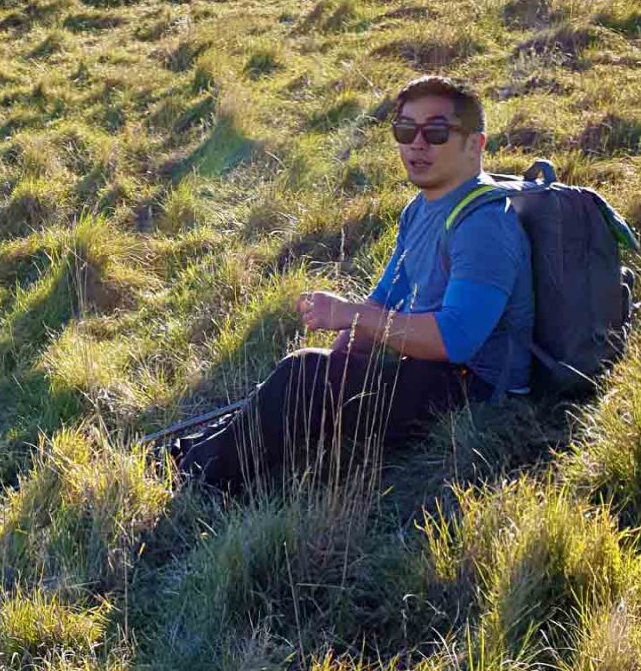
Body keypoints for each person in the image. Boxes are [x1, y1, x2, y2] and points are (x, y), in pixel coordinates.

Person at [181, 76, 534, 496]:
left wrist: (349, 318)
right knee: (306, 375)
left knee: (301, 375)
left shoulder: (484, 225)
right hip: (427, 367)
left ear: (475, 144)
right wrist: (340, 360)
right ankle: (193, 451)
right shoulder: (420, 209)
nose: (417, 144)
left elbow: (455, 339)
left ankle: (201, 476)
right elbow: (387, 296)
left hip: (474, 392)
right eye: (405, 131)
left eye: (436, 132)